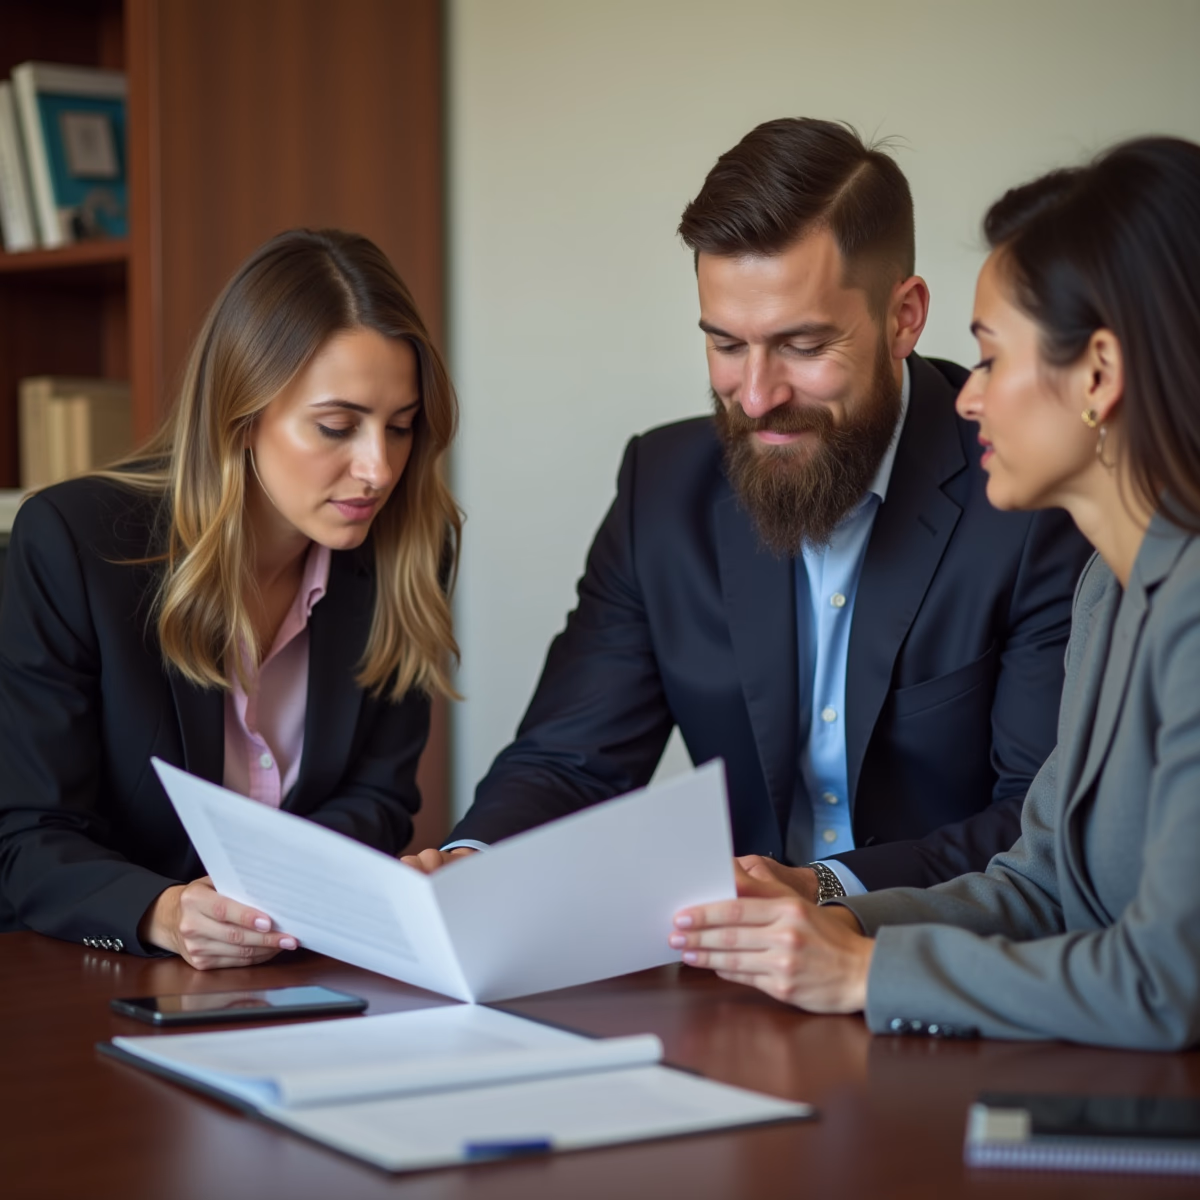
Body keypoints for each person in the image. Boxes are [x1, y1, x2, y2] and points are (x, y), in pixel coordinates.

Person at [406, 119, 1089, 896]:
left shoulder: (1028, 489)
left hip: (941, 962)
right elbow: (569, 759)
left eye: (801, 345)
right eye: (727, 345)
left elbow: (1042, 817)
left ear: (904, 317)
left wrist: (826, 891)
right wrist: (469, 869)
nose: (757, 396)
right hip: (736, 979)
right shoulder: (660, 489)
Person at [670, 135, 1200, 1049]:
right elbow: (1041, 887)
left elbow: (1165, 983)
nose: (966, 396)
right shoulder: (1114, 594)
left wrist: (863, 973)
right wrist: (828, 919)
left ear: (1100, 377)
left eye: (991, 358)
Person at [0, 229, 461, 970]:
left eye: (401, 428)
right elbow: (27, 838)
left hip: (298, 968)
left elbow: (379, 797)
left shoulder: (409, 548)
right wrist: (161, 911)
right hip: (102, 982)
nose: (378, 468)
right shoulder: (75, 543)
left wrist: (292, 884)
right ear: (240, 416)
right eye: (337, 427)